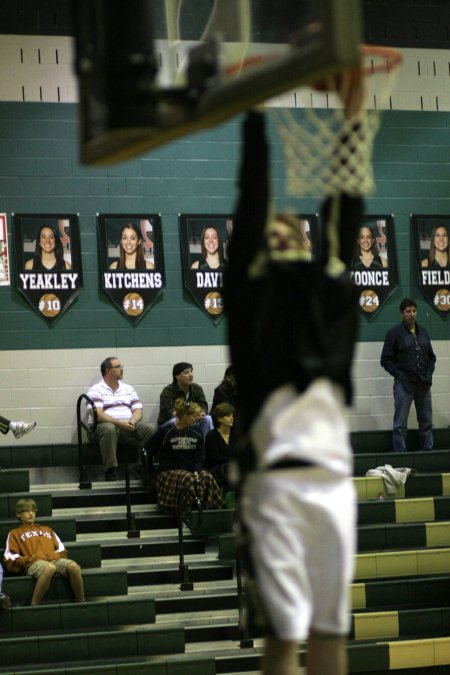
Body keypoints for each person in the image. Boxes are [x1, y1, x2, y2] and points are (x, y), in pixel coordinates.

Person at [225, 110, 361, 675]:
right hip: (272, 486)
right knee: (283, 640)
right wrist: (254, 119)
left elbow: (344, 215)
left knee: (330, 636)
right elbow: (252, 195)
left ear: (306, 242)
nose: (282, 228)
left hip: (334, 482)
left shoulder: (328, 292)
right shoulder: (249, 290)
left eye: (294, 228)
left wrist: (352, 122)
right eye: (270, 228)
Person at [3, 498, 85, 606]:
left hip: (53, 560)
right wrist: (29, 559)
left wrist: (53, 556)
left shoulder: (47, 529)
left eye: (33, 510)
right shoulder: (15, 533)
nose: (31, 513)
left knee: (73, 566)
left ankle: (81, 602)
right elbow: (10, 556)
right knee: (50, 568)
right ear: (18, 514)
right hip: (33, 563)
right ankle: (33, 604)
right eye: (26, 511)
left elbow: (61, 549)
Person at [147, 399, 224, 512]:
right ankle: (188, 513)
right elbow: (148, 449)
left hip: (191, 469)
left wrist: (197, 469)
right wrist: (150, 475)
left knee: (207, 477)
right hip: (169, 471)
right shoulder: (166, 431)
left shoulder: (197, 431)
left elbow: (200, 456)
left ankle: (216, 511)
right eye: (194, 416)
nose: (197, 418)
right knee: (188, 479)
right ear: (185, 415)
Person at [380, 298, 436, 453]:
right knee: (400, 423)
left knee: (426, 421)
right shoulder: (393, 334)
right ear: (402, 313)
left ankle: (428, 451)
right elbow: (385, 360)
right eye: (408, 311)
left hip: (424, 384)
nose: (412, 314)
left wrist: (429, 374)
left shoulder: (423, 332)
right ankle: (400, 454)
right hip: (403, 385)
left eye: (414, 311)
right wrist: (399, 374)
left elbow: (432, 357)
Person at [87, 356, 154, 481]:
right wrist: (119, 422)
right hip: (103, 427)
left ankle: (144, 466)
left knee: (150, 429)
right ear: (107, 370)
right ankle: (110, 471)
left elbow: (138, 410)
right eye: (118, 367)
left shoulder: (128, 389)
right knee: (109, 429)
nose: (122, 369)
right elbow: (98, 414)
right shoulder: (95, 390)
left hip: (127, 424)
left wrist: (132, 421)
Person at [157, 362, 213, 436]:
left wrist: (201, 413)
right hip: (172, 421)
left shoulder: (197, 388)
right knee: (175, 420)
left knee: (207, 419)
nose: (191, 375)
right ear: (177, 376)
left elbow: (203, 405)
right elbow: (169, 412)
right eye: (186, 372)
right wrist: (188, 415)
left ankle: (204, 446)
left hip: (193, 419)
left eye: (191, 371)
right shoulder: (168, 391)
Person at [205, 403, 238, 492]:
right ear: (219, 418)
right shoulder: (211, 436)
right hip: (216, 469)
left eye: (232, 415)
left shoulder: (236, 435)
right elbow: (215, 458)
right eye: (228, 416)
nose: (232, 418)